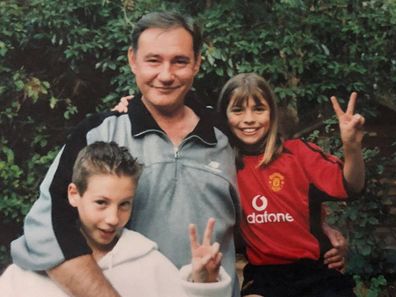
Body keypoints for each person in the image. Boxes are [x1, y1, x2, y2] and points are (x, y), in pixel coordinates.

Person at [10, 11, 240, 297]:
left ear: (197, 64)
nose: (166, 75)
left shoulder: (228, 137)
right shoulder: (98, 134)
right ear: (133, 60)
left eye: (179, 61)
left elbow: (270, 218)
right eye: (153, 60)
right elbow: (47, 230)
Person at [0, 141, 232, 296]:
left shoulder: (151, 265)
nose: (113, 219)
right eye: (101, 203)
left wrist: (205, 283)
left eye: (124, 205)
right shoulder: (25, 273)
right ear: (74, 194)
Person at [216, 73, 365, 297]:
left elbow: (351, 186)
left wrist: (351, 147)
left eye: (259, 109)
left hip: (315, 270)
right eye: (238, 110)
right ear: (225, 116)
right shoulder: (222, 164)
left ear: (272, 114)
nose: (249, 119)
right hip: (266, 275)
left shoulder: (299, 153)